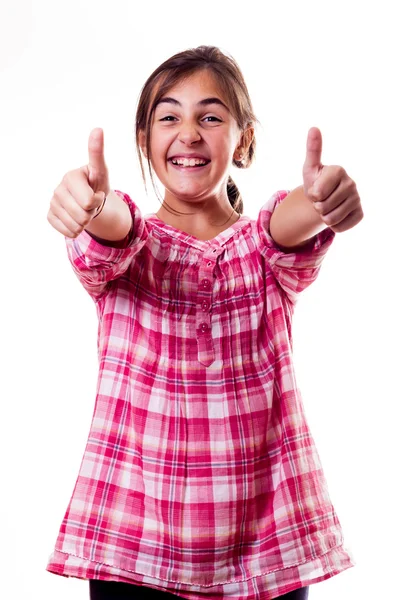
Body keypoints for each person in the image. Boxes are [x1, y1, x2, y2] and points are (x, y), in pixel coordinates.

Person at [46, 46, 363, 600]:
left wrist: (319, 202)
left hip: (267, 548)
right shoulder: (130, 248)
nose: (188, 132)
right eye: (169, 117)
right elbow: (111, 228)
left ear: (241, 139)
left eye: (210, 117)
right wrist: (92, 208)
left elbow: (288, 223)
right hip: (133, 550)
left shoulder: (263, 252)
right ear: (145, 139)